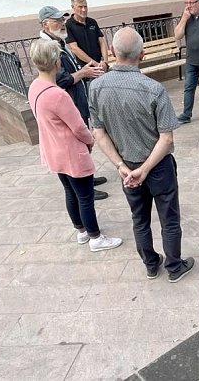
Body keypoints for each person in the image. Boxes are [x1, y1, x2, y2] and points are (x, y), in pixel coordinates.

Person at [89, 27, 194, 283]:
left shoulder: (96, 87)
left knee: (139, 219)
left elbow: (98, 132)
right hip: (157, 167)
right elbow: (166, 138)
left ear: (112, 51)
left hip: (126, 165)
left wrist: (120, 166)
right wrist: (145, 169)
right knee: (169, 218)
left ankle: (150, 264)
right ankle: (174, 266)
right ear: (142, 55)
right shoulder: (154, 89)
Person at [27, 39, 122, 252]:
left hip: (53, 151)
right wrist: (90, 140)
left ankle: (81, 231)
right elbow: (79, 126)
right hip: (70, 152)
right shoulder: (58, 95)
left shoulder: (35, 87)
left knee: (70, 192)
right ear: (56, 63)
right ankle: (96, 238)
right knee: (85, 197)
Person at [38, 6, 110, 198]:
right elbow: (60, 79)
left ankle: (88, 178)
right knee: (78, 145)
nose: (62, 23)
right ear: (45, 24)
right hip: (66, 104)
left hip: (77, 100)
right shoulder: (48, 47)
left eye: (62, 20)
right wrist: (83, 73)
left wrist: (83, 70)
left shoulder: (59, 42)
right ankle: (85, 187)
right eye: (57, 21)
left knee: (83, 146)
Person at [65, 0, 110, 72]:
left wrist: (105, 62)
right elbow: (74, 48)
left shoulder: (92, 22)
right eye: (80, 7)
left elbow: (102, 42)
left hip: (100, 65)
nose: (83, 10)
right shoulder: (69, 25)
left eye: (85, 7)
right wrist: (95, 64)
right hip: (86, 68)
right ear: (73, 7)